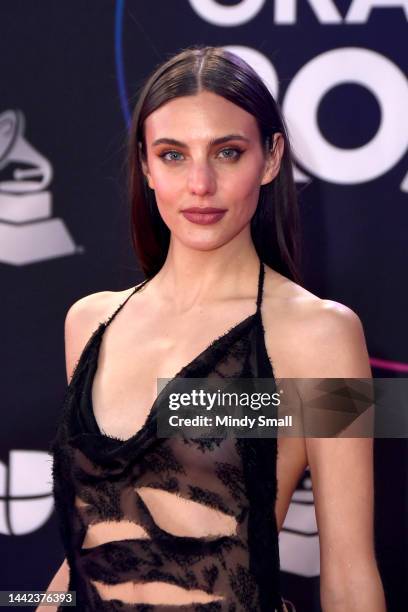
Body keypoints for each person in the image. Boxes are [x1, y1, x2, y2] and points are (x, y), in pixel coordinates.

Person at [42, 46, 386, 611]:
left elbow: (350, 572)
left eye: (227, 152)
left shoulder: (324, 335)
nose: (200, 183)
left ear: (270, 159)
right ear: (147, 167)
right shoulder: (89, 322)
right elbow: (88, 544)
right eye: (173, 155)